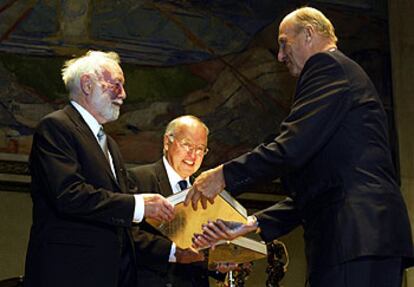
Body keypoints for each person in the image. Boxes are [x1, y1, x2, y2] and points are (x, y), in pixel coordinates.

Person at [186, 7, 414, 287]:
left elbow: (290, 146)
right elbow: (321, 184)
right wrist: (252, 224)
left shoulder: (326, 67)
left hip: (352, 234)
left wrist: (224, 175)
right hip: (362, 239)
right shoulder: (342, 74)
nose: (280, 56)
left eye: (284, 43)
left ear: (309, 34)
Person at [23, 50, 174, 287]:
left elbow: (117, 207)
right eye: (116, 84)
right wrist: (138, 205)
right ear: (87, 84)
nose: (123, 95)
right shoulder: (56, 127)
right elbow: (69, 195)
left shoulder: (109, 143)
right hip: (70, 273)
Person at [128, 115, 226, 287]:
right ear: (167, 142)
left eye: (200, 149)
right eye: (187, 145)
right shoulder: (138, 178)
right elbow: (128, 236)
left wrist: (217, 264)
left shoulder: (205, 190)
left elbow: (199, 250)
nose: (193, 155)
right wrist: (173, 252)